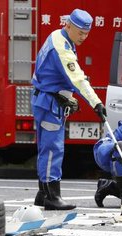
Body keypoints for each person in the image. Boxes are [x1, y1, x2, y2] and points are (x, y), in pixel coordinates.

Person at [31, 9, 107, 211]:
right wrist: (96, 103)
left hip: (45, 99)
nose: (84, 37)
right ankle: (52, 196)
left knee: (45, 149)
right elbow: (77, 78)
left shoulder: (57, 35)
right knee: (52, 149)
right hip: (50, 103)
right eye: (80, 32)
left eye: (87, 33)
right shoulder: (62, 49)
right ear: (69, 25)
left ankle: (42, 193)